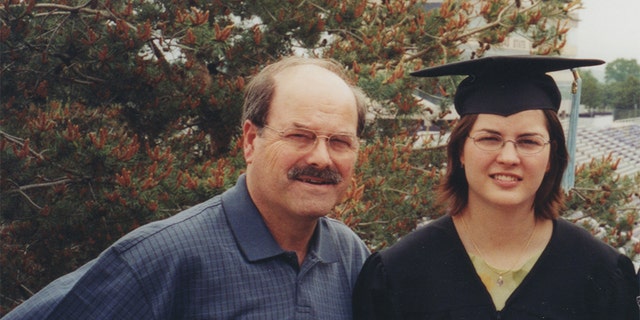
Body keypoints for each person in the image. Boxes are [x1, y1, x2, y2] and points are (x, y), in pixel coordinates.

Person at [3, 56, 370, 319]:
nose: (322, 158)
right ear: (249, 141)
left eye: (339, 141)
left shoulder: (350, 256)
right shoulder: (160, 259)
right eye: (299, 136)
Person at [352, 55, 639, 319]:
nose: (508, 157)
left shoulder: (601, 272)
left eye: (529, 141)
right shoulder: (398, 272)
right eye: (489, 138)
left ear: (552, 157)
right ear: (460, 152)